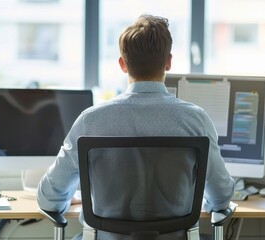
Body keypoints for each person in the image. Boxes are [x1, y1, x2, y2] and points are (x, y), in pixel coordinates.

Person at [37, 14, 234, 239]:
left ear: (122, 64)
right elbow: (221, 197)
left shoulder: (90, 121)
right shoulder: (196, 121)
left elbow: (48, 199)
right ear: (168, 61)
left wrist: (67, 196)